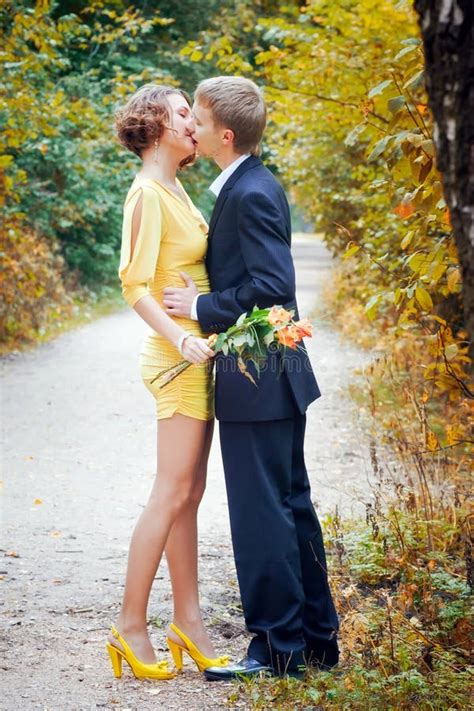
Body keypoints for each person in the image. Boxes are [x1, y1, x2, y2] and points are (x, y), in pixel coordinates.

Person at [163, 76, 340, 679]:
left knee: (262, 515)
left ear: (224, 134)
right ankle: (316, 641)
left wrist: (199, 309)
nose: (193, 127)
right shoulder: (245, 185)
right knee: (289, 507)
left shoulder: (249, 193)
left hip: (260, 375)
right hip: (270, 377)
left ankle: (276, 649)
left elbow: (273, 289)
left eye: (200, 118)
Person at [106, 84, 230, 681]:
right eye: (184, 111)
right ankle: (130, 625)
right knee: (170, 492)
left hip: (197, 353)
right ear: (155, 121)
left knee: (189, 496)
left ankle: (188, 620)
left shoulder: (178, 187)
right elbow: (133, 286)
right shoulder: (147, 195)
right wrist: (181, 336)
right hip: (178, 360)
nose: (194, 121)